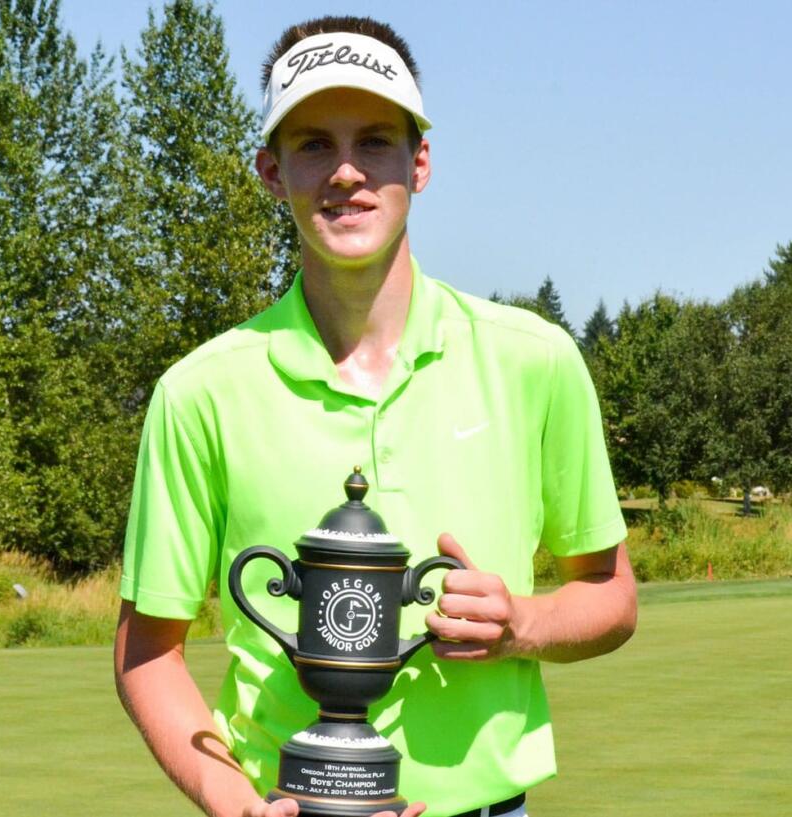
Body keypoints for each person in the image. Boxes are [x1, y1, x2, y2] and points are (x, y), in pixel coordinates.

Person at [114, 15, 637, 817]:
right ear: (269, 168)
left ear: (420, 162)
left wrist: (521, 622)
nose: (347, 172)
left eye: (377, 142)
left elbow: (609, 594)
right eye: (315, 143)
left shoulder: (534, 360)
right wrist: (235, 802)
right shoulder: (199, 392)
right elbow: (147, 652)